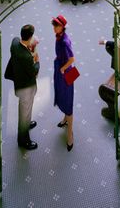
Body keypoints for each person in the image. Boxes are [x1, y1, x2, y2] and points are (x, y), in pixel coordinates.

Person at [4, 24, 40, 150]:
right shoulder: (26, 57)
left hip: (18, 82)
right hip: (26, 88)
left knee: (26, 110)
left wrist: (30, 48)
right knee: (24, 112)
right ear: (30, 37)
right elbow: (33, 71)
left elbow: (21, 48)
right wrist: (37, 60)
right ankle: (23, 141)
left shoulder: (14, 42)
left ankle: (28, 122)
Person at [52, 14, 75, 151]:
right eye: (54, 25)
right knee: (62, 95)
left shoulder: (65, 41)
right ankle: (66, 119)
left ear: (63, 27)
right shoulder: (58, 37)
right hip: (62, 70)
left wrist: (62, 68)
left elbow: (72, 59)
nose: (54, 28)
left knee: (68, 100)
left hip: (66, 72)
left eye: (57, 25)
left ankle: (70, 134)